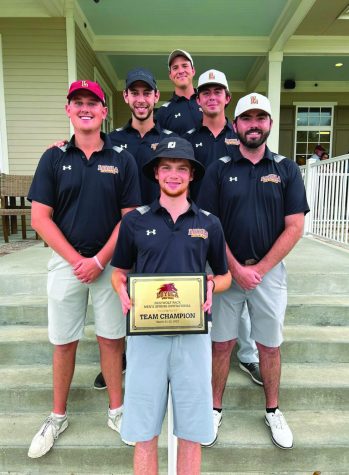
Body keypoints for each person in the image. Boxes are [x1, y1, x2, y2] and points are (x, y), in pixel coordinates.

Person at [27, 80, 141, 458]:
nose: (85, 108)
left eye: (93, 102)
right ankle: (57, 416)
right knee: (64, 341)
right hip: (66, 263)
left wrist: (98, 260)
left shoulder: (122, 158)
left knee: (111, 339)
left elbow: (129, 218)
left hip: (108, 264)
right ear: (69, 110)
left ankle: (117, 410)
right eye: (78, 102)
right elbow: (40, 218)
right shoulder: (54, 158)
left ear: (105, 111)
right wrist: (76, 260)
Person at [111, 136, 231, 474]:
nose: (174, 174)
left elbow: (224, 277)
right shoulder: (136, 220)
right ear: (157, 174)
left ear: (192, 174)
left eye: (182, 168)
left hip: (193, 336)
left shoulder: (209, 222)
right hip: (146, 336)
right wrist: (121, 289)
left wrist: (211, 285)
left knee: (192, 430)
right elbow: (118, 274)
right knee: (144, 431)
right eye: (167, 168)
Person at [197, 92, 309, 450]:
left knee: (269, 347)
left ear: (270, 124)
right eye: (247, 118)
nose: (254, 124)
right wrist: (233, 267)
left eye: (261, 118)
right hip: (227, 272)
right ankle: (213, 408)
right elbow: (210, 225)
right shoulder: (220, 169)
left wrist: (259, 268)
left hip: (269, 273)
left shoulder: (286, 169)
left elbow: (294, 226)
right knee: (222, 344)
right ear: (236, 125)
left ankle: (273, 410)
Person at [92, 68, 177, 391]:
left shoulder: (169, 139)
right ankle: (122, 357)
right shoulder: (112, 140)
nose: (141, 100)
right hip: (126, 232)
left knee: (160, 295)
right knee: (124, 298)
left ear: (156, 97)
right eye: (134, 93)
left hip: (163, 232)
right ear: (126, 97)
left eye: (147, 93)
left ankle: (161, 361)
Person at [185, 69, 262, 386]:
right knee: (200, 293)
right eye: (206, 92)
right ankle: (201, 357)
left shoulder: (241, 136)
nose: (212, 96)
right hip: (194, 230)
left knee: (238, 297)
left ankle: (248, 356)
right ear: (198, 99)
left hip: (232, 232)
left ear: (227, 98)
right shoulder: (189, 139)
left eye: (218, 91)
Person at [156, 49, 202, 135]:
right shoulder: (163, 112)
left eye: (185, 66)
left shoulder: (207, 102)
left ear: (193, 71)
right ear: (170, 75)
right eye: (175, 68)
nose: (180, 71)